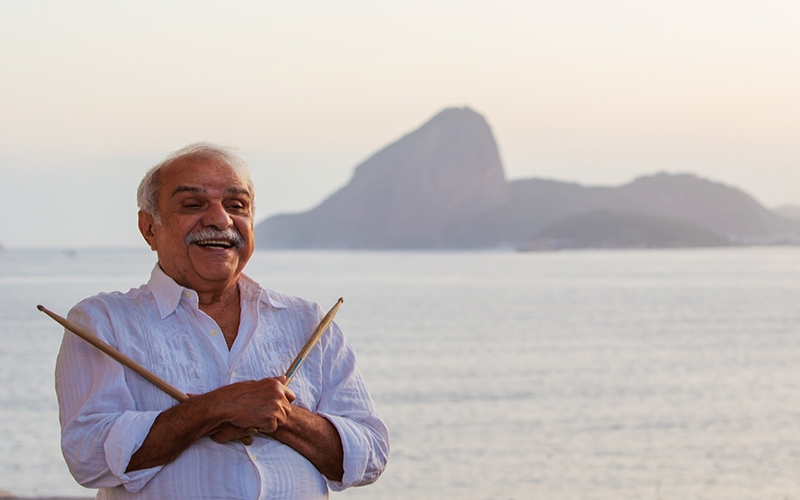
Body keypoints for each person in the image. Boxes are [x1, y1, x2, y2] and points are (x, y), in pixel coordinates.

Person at [55, 143, 389, 499]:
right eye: (193, 205)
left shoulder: (307, 320)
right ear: (149, 227)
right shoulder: (102, 324)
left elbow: (370, 455)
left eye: (236, 205)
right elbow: (87, 458)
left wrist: (281, 417)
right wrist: (214, 409)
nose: (221, 219)